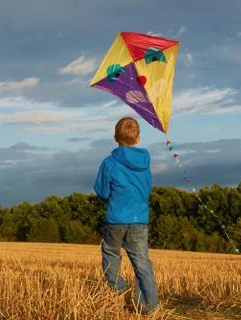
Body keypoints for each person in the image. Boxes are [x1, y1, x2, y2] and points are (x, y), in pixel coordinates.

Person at [94, 116, 158, 314]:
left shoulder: (109, 163)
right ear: (138, 138)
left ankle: (119, 291)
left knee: (111, 254)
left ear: (115, 137)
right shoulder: (145, 162)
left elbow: (102, 192)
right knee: (141, 262)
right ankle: (148, 306)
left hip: (115, 219)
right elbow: (147, 190)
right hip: (140, 219)